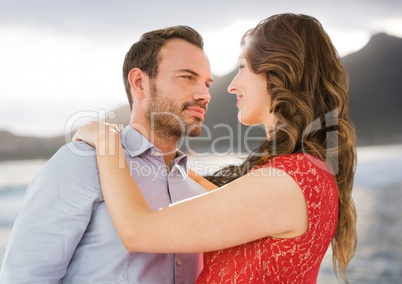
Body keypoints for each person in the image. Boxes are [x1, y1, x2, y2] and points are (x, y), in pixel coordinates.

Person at [73, 13, 357, 283]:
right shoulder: (307, 172)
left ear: (280, 72)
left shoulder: (286, 182)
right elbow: (235, 210)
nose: (232, 86)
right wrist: (171, 167)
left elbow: (137, 231)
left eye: (243, 67)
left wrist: (108, 141)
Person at [0, 26, 215, 283]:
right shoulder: (81, 162)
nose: (204, 94)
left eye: (207, 83)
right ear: (139, 83)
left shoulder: (196, 189)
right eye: (187, 77)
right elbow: (26, 277)